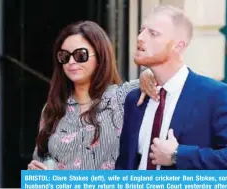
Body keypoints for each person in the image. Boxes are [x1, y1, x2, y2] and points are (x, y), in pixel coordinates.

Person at [115, 5, 227, 170]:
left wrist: (177, 155)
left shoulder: (215, 95)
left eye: (153, 33)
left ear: (178, 46)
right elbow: (125, 165)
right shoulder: (135, 99)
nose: (140, 37)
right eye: (142, 30)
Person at [27, 20, 158, 170]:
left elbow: (168, 76)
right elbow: (41, 158)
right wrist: (37, 170)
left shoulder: (121, 96)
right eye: (64, 56)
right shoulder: (53, 108)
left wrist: (148, 73)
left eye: (80, 55)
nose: (71, 62)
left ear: (99, 57)